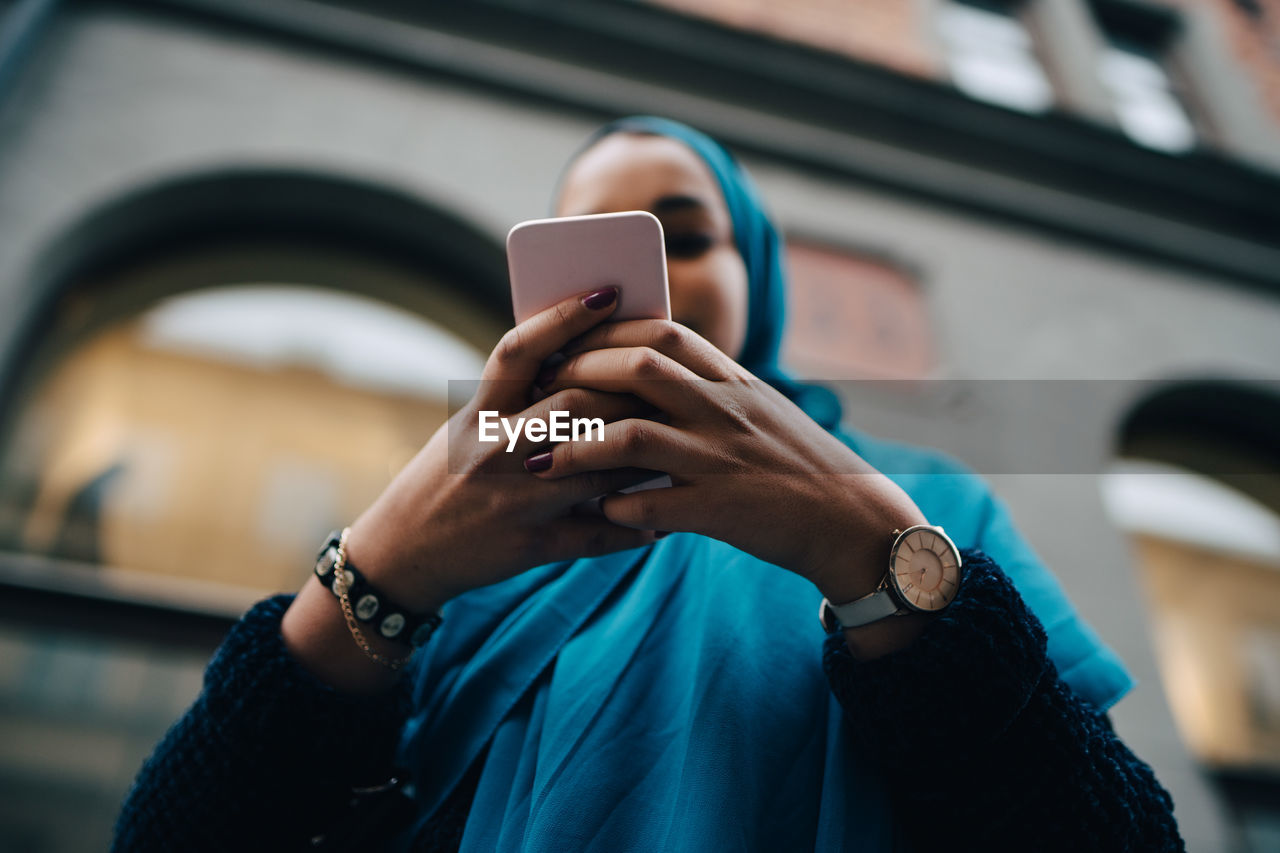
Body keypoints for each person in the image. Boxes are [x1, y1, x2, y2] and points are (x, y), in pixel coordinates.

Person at [112, 117, 1183, 852]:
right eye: (593, 244)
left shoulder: (918, 498)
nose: (650, 276)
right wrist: (379, 568)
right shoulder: (459, 523)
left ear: (755, 276)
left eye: (690, 234)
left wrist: (870, 555)